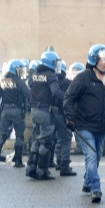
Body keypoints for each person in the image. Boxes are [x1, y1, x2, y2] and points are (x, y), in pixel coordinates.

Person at [64, 45, 105, 203]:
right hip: (85, 125)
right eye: (103, 60)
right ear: (94, 60)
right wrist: (70, 118)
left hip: (102, 128)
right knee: (91, 156)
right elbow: (69, 98)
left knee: (97, 157)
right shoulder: (83, 78)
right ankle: (96, 188)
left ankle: (87, 182)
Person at [26, 51, 64, 180]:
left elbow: (29, 86)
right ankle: (42, 171)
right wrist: (66, 97)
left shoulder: (35, 74)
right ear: (50, 63)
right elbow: (55, 92)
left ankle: (30, 167)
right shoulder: (51, 75)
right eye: (55, 62)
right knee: (46, 141)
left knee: (36, 138)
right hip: (45, 110)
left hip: (34, 110)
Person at [0, 60, 31, 169]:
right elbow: (29, 95)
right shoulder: (19, 81)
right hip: (17, 110)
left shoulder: (2, 81)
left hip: (5, 111)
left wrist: (0, 113)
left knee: (1, 135)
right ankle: (18, 161)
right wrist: (27, 108)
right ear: (15, 70)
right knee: (19, 136)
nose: (21, 72)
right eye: (20, 70)